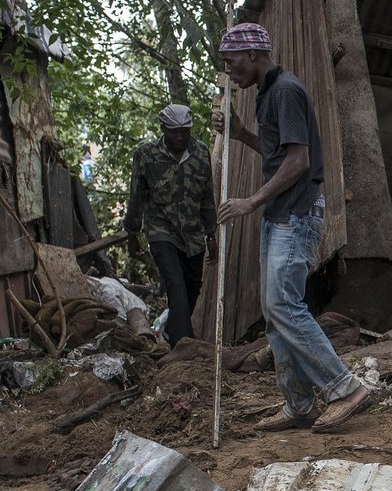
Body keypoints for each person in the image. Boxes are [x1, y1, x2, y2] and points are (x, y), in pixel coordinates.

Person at [214, 22, 369, 432]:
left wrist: (251, 200)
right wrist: (241, 132)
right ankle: (300, 405)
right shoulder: (268, 93)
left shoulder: (285, 90)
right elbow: (280, 151)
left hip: (297, 214)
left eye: (231, 63)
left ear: (252, 55)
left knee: (284, 304)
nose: (229, 71)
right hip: (281, 214)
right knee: (274, 309)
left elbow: (299, 161)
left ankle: (345, 388)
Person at [122, 104, 213, 346]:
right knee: (176, 289)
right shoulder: (146, 155)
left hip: (193, 235)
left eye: (185, 131)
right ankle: (185, 350)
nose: (180, 137)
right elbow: (136, 195)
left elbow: (207, 197)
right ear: (163, 129)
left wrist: (212, 233)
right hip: (161, 231)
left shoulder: (201, 153)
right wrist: (132, 231)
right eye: (174, 132)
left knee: (192, 290)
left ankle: (172, 331)